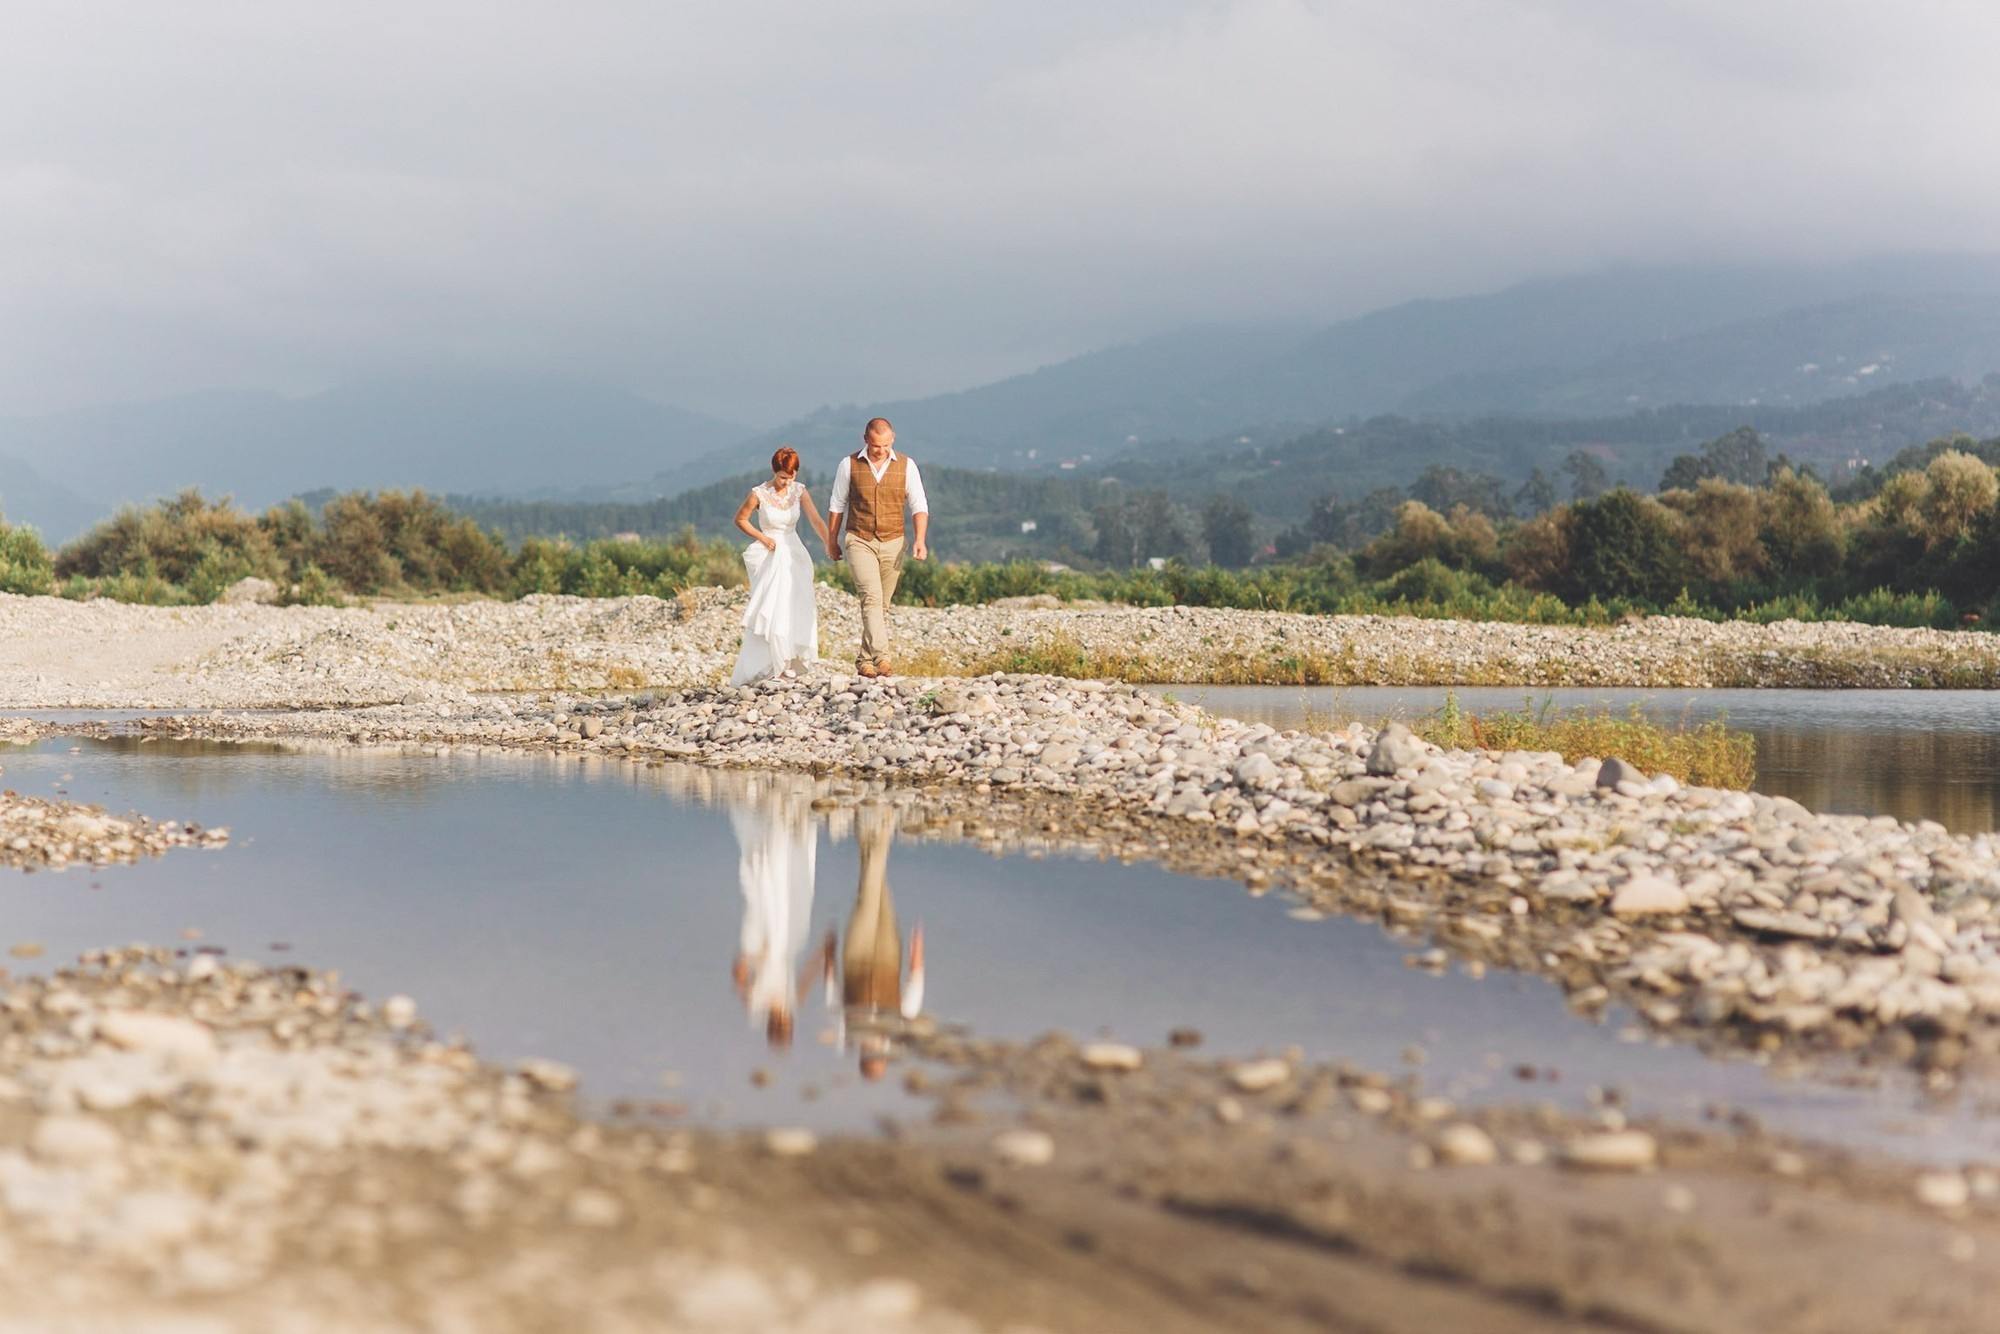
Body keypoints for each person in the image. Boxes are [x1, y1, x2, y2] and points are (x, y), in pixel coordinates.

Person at [824, 418, 928, 678]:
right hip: (859, 539)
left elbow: (919, 505)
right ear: (865, 440)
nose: (880, 450)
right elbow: (837, 505)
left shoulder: (907, 465)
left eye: (884, 445)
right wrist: (831, 540)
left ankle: (864, 661)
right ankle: (883, 658)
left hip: (894, 541)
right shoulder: (848, 465)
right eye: (875, 445)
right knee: (870, 598)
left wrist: (919, 539)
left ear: (892, 439)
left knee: (881, 605)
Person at [729, 447, 829, 686]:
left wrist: (829, 542)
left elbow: (815, 518)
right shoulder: (759, 493)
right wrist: (762, 538)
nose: (787, 481)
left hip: (794, 551)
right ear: (774, 471)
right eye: (783, 476)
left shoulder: (799, 491)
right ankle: (772, 663)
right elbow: (740, 519)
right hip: (770, 551)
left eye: (791, 476)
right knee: (772, 606)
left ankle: (790, 660)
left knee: (796, 603)